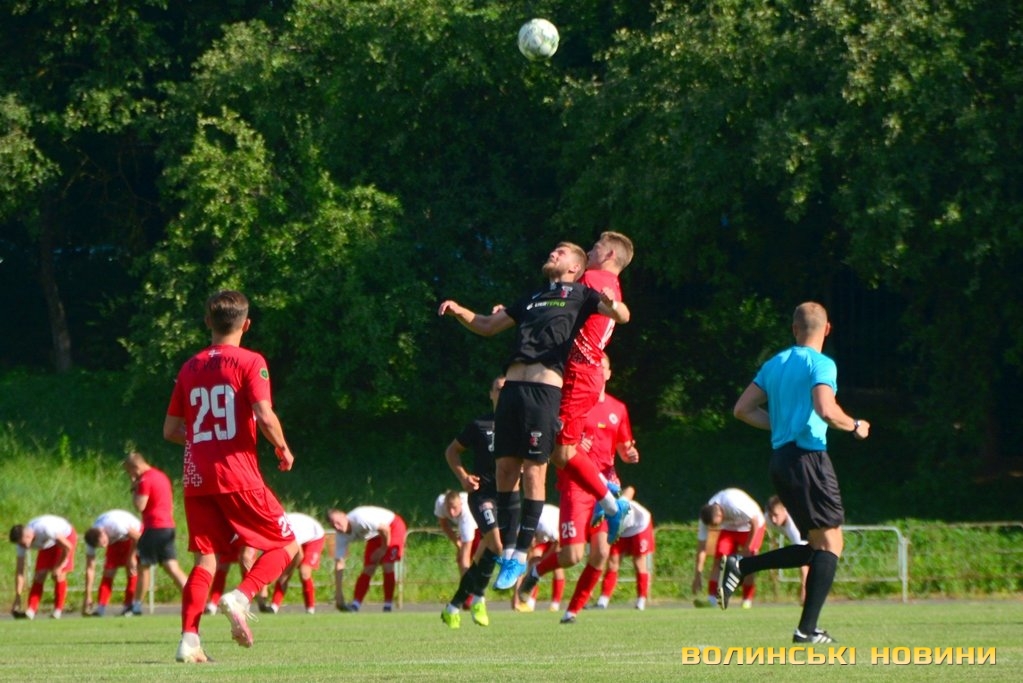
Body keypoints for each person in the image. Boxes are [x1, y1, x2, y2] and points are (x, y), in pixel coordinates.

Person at [438, 241, 630, 591]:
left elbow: (622, 316)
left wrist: (612, 303)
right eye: (553, 250)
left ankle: (521, 553)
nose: (553, 253)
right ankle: (510, 550)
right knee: (505, 472)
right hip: (512, 390)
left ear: (575, 268)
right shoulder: (533, 297)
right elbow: (488, 325)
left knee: (535, 471)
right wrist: (459, 311)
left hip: (544, 392)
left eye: (561, 253)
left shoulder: (582, 293)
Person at [163, 289, 300, 663]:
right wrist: (282, 448)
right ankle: (242, 595)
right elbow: (264, 413)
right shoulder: (250, 361)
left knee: (205, 561)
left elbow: (170, 430)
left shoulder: (189, 367)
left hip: (197, 478)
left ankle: (189, 640)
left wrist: (204, 437)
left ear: (208, 321)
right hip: (237, 474)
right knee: (287, 545)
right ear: (247, 324)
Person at [726, 301, 871, 644]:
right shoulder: (821, 364)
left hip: (781, 461)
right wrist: (855, 425)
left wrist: (780, 423)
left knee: (819, 546)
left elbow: (742, 409)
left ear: (794, 329)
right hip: (809, 459)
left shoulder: (775, 363)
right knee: (831, 544)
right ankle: (806, 630)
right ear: (828, 329)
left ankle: (742, 567)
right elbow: (825, 409)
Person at [517, 352, 639, 623]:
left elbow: (623, 447)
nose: (598, 371)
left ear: (608, 374)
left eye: (602, 367)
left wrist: (629, 453)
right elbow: (554, 442)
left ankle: (572, 610)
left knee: (601, 553)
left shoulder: (618, 409)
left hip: (605, 488)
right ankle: (535, 572)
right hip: (576, 485)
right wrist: (572, 445)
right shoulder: (574, 404)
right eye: (594, 366)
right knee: (572, 555)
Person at [550, 233, 636, 547]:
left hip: (579, 373)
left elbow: (562, 302)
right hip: (583, 373)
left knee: (561, 453)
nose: (589, 250)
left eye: (596, 247)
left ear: (610, 254)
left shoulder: (593, 277)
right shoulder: (611, 284)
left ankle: (610, 501)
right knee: (559, 449)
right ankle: (606, 493)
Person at [440, 376, 505, 629]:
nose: (503, 392)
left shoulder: (520, 424)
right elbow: (452, 451)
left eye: (508, 389)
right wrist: (464, 477)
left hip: (507, 498)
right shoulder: (480, 425)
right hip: (483, 496)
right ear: (491, 394)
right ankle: (478, 599)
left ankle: (454, 606)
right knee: (497, 545)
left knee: (485, 554)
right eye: (498, 388)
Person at [123, 450, 188, 615]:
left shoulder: (145, 479)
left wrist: (134, 488)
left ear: (135, 467)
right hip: (168, 526)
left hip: (153, 527)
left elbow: (140, 506)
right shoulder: (161, 476)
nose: (131, 476)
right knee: (172, 566)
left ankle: (136, 606)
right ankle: (196, 599)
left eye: (130, 472)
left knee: (143, 566)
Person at [692, 487, 766, 609]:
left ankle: (747, 600)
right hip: (730, 529)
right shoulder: (706, 517)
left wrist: (747, 548)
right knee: (719, 560)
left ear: (720, 514)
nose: (715, 527)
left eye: (716, 524)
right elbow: (702, 548)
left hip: (752, 527)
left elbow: (755, 521)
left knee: (749, 562)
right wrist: (697, 575)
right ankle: (712, 600)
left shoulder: (734, 504)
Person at [328, 506, 407, 612]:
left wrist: (383, 549)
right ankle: (355, 605)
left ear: (344, 516)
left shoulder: (360, 518)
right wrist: (338, 593)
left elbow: (385, 529)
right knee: (369, 568)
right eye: (333, 525)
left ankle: (387, 606)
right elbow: (339, 563)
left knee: (387, 565)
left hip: (393, 526)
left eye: (338, 522)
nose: (337, 527)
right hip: (375, 534)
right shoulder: (341, 536)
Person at [595, 486, 654, 611]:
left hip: (640, 526)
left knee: (639, 562)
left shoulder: (618, 504)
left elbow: (631, 489)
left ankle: (641, 600)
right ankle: (603, 601)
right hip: (621, 530)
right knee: (613, 562)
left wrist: (623, 497)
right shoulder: (600, 514)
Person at [8, 515, 78, 620]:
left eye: (23, 543)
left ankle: (58, 610)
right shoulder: (21, 544)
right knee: (39, 575)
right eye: (20, 545)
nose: (23, 547)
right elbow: (20, 571)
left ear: (28, 535)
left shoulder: (45, 529)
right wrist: (17, 596)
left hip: (66, 538)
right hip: (47, 544)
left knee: (58, 575)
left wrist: (59, 566)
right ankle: (31, 610)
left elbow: (68, 547)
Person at [262, 511, 326, 614]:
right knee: (283, 573)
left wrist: (287, 572)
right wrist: (264, 586)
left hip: (314, 537)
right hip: (298, 540)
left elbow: (298, 555)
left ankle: (310, 609)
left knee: (304, 572)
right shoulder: (269, 531)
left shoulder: (286, 529)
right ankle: (274, 607)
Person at [82, 509, 142, 617]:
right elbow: (90, 568)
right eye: (100, 547)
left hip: (133, 537)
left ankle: (129, 606)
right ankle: (100, 609)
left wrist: (132, 556)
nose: (104, 546)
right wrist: (88, 595)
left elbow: (138, 537)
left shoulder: (117, 525)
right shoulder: (91, 540)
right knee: (108, 572)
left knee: (132, 570)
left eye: (104, 543)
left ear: (103, 533)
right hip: (115, 540)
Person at [513, 503, 564, 613]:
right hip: (542, 535)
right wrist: (515, 600)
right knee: (533, 564)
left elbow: (558, 542)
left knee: (556, 565)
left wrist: (546, 559)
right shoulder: (521, 531)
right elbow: (520, 567)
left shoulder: (546, 527)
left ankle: (555, 604)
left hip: (558, 530)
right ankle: (529, 603)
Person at [766, 494, 809, 605]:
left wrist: (804, 587)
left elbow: (803, 560)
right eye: (771, 515)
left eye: (776, 515)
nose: (773, 519)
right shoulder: (767, 518)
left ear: (785, 510)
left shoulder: (793, 527)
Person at [434, 490, 478, 579]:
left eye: (454, 508)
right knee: (461, 558)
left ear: (461, 504)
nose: (451, 512)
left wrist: (461, 548)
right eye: (448, 508)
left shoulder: (467, 516)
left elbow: (465, 556)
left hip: (480, 528)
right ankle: (468, 584)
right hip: (465, 526)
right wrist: (457, 542)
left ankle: (468, 585)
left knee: (474, 559)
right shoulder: (440, 503)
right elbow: (444, 524)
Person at [205, 544, 254, 616]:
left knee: (246, 560)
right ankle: (213, 602)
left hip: (247, 538)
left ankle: (246, 603)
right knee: (223, 563)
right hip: (230, 538)